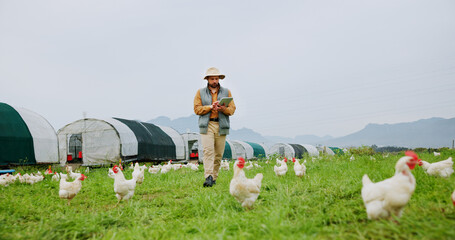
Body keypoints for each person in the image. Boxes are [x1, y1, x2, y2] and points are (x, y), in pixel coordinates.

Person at [194, 67, 236, 187]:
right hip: (207, 125)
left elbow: (232, 110)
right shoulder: (200, 93)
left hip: (221, 125)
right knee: (208, 151)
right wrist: (210, 107)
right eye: (212, 79)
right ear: (207, 79)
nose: (214, 81)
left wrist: (223, 108)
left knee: (218, 154)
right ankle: (208, 176)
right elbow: (197, 109)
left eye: (216, 79)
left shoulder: (227, 92)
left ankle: (214, 177)